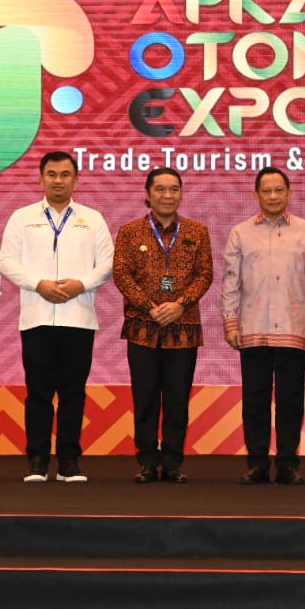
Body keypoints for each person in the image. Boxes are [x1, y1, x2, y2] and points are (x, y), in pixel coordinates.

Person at [0, 151, 114, 484]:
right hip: (36, 318)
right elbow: (7, 261)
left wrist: (82, 284)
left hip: (79, 319)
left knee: (73, 393)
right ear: (41, 178)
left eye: (65, 174)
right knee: (38, 393)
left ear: (76, 179)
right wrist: (38, 284)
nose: (58, 180)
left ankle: (68, 462)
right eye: (52, 174)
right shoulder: (22, 218)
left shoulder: (92, 219)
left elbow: (107, 263)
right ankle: (37, 460)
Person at [221, 167, 305, 486]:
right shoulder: (240, 232)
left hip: (294, 329)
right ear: (256, 195)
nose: (273, 196)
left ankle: (287, 464)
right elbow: (231, 282)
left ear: (289, 193)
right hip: (252, 327)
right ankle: (256, 464)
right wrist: (230, 322)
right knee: (255, 400)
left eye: (279, 190)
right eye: (266, 191)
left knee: (290, 401)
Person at [113, 167, 214, 484]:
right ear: (147, 194)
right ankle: (146, 461)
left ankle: (172, 462)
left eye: (174, 189)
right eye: (160, 189)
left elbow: (205, 274)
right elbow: (122, 274)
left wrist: (180, 304)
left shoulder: (197, 232)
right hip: (143, 328)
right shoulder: (130, 232)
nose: (167, 195)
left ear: (181, 194)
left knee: (177, 399)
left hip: (183, 329)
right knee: (145, 398)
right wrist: (149, 306)